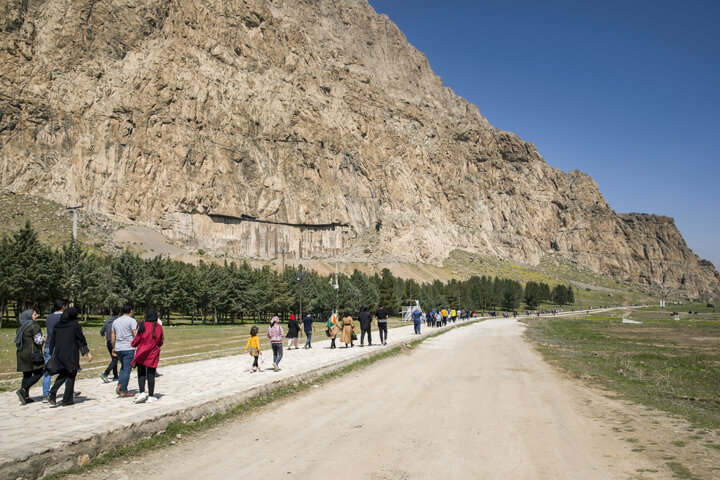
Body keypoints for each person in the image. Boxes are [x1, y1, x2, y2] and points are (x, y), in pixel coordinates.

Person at [46, 307, 93, 406]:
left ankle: (52, 392)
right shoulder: (74, 325)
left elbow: (52, 341)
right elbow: (80, 339)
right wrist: (87, 352)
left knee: (63, 373)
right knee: (71, 375)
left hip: (59, 353)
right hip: (70, 354)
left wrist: (51, 353)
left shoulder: (58, 325)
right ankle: (67, 399)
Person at [131, 309, 164, 403]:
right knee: (151, 374)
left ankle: (141, 392)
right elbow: (161, 341)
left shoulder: (143, 325)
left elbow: (138, 338)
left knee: (141, 373)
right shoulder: (158, 327)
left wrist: (133, 344)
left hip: (142, 351)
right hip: (153, 352)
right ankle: (151, 395)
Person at [15, 309, 45, 404]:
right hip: (32, 354)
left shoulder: (20, 328)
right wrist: (43, 339)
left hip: (21, 354)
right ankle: (23, 390)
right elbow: (37, 341)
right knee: (39, 372)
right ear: (29, 316)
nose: (37, 316)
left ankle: (26, 397)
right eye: (34, 314)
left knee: (26, 374)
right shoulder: (34, 326)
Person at [42, 299, 67, 400]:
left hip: (49, 345)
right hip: (60, 346)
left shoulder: (49, 317)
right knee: (66, 369)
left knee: (48, 370)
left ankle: (45, 393)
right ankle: (68, 390)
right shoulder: (64, 317)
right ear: (63, 306)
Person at [112, 303, 137, 398]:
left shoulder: (116, 321)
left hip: (119, 347)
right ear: (131, 311)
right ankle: (124, 390)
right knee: (127, 369)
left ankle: (120, 385)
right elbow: (134, 333)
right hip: (128, 347)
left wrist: (113, 347)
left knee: (123, 368)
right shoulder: (132, 321)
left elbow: (113, 335)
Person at [99, 306, 120, 383]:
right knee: (115, 359)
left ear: (112, 312)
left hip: (108, 342)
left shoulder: (107, 321)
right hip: (115, 342)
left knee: (114, 358)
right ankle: (105, 373)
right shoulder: (118, 321)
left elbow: (101, 331)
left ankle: (115, 375)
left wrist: (105, 340)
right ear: (118, 313)